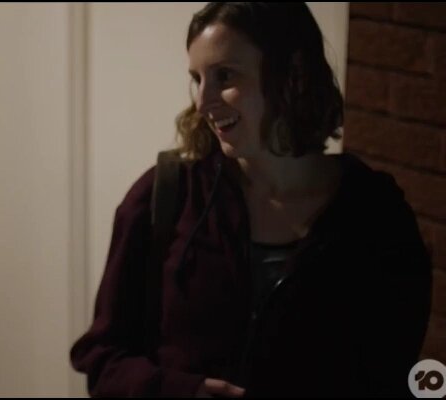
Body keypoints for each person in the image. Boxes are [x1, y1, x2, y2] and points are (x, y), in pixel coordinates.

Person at [70, 2, 432, 398]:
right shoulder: (166, 195)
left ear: (293, 74)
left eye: (224, 76)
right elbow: (101, 359)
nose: (202, 102)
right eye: (197, 79)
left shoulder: (375, 217)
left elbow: (393, 375)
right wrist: (178, 390)